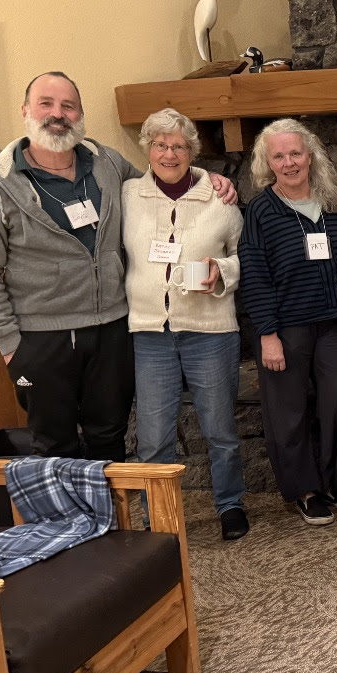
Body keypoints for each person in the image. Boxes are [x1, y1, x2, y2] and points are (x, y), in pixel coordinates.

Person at [0, 71, 236, 462]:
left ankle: (110, 523)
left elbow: (159, 189)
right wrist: (8, 343)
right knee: (54, 444)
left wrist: (210, 180)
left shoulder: (106, 163)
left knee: (110, 437)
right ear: (25, 111)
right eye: (46, 104)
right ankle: (67, 524)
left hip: (112, 331)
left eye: (68, 105)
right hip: (41, 337)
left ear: (80, 113)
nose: (58, 114)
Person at [123, 109, 249, 539]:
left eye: (179, 145)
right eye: (161, 144)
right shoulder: (128, 196)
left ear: (191, 151)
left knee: (220, 430)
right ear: (148, 149)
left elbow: (243, 258)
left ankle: (230, 505)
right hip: (150, 333)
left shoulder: (221, 199)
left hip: (210, 331)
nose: (169, 153)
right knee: (153, 438)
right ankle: (155, 517)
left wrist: (223, 271)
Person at [239, 119, 337, 525]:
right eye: (279, 156)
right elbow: (255, 274)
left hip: (334, 323)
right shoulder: (261, 209)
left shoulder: (333, 196)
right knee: (287, 411)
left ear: (310, 155)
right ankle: (305, 490)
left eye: (296, 153)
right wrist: (268, 335)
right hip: (286, 327)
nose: (289, 162)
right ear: (268, 163)